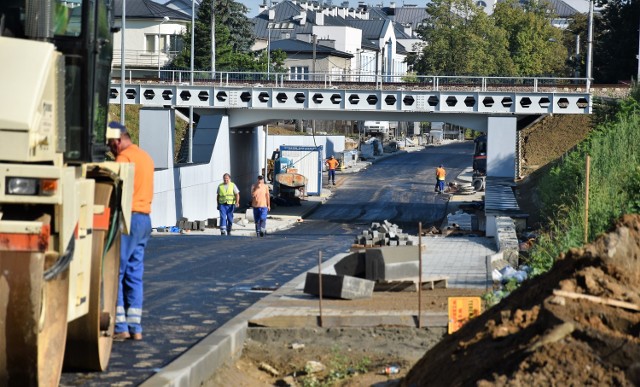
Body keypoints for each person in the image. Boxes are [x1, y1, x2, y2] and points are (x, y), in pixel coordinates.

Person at [107, 121, 154, 342]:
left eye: (110, 143)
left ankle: (120, 326)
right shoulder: (145, 157)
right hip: (144, 220)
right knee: (134, 275)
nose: (109, 148)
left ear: (118, 140)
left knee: (115, 270)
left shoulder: (123, 159)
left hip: (128, 218)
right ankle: (136, 327)